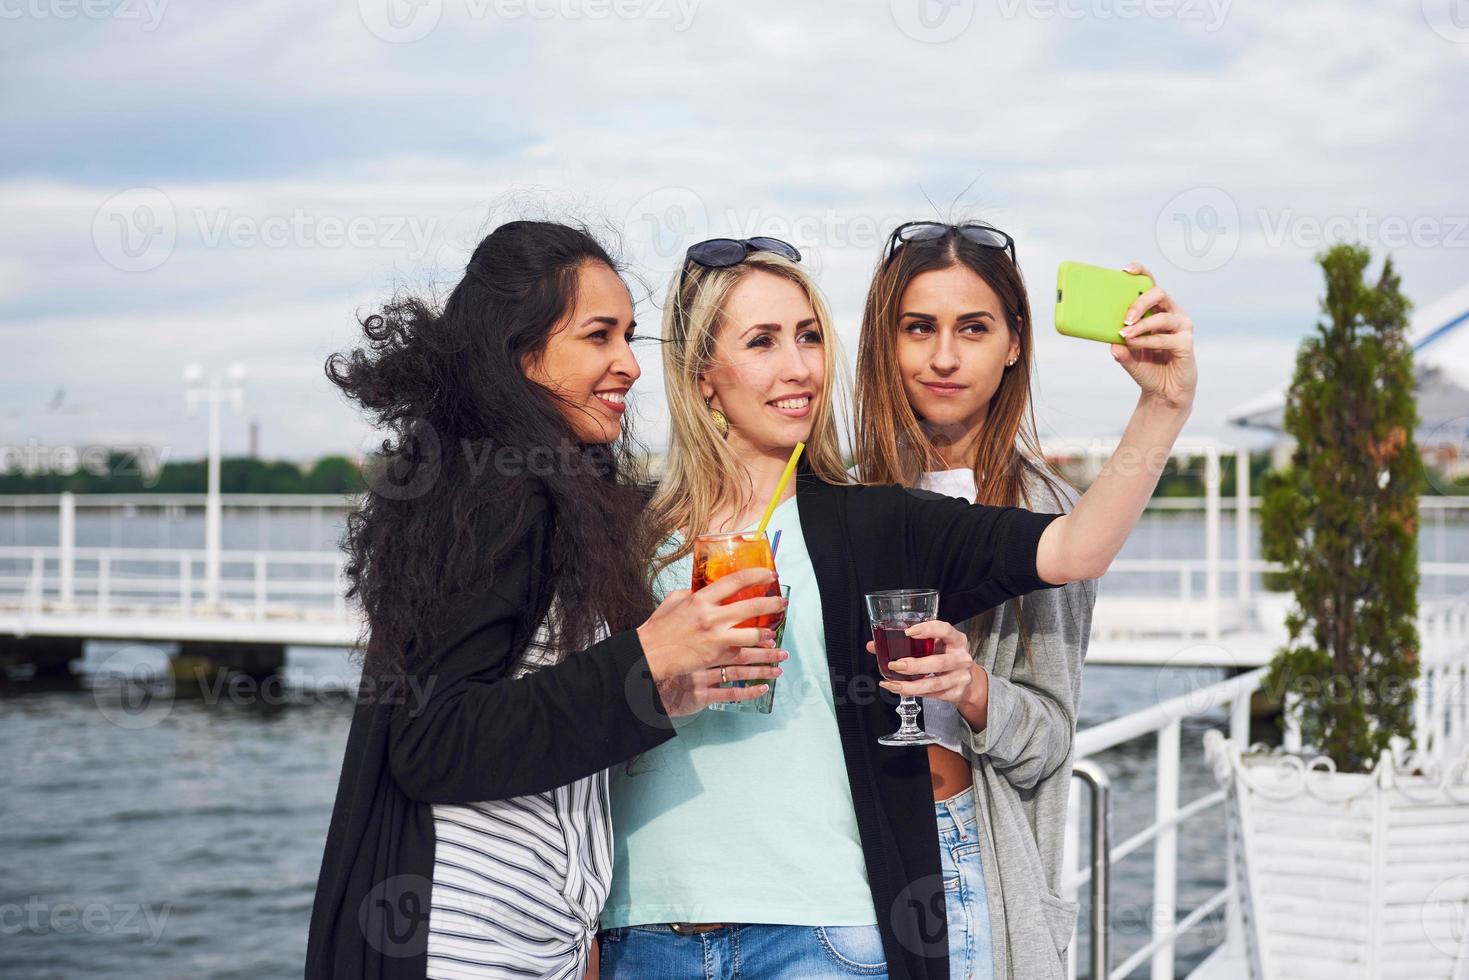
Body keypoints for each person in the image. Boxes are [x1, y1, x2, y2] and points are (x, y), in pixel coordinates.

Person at [598, 234, 1196, 980]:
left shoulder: (871, 517)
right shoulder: (622, 530)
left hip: (830, 921)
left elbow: (1076, 548)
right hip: (648, 926)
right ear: (701, 377)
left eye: (810, 337)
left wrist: (1163, 404)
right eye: (762, 341)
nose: (798, 366)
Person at [304, 220, 786, 980]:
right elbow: (434, 742)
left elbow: (536, 718)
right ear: (519, 353)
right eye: (598, 336)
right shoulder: (493, 489)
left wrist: (661, 686)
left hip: (532, 945)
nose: (628, 364)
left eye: (628, 337)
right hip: (459, 943)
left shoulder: (545, 489)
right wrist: (645, 658)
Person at [854, 222, 1153, 978]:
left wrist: (976, 690)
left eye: (973, 329)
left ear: (1014, 342)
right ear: (883, 343)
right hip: (842, 850)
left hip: (966, 851)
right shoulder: (841, 496)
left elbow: (1050, 740)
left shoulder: (1053, 512)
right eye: (917, 328)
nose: (943, 356)